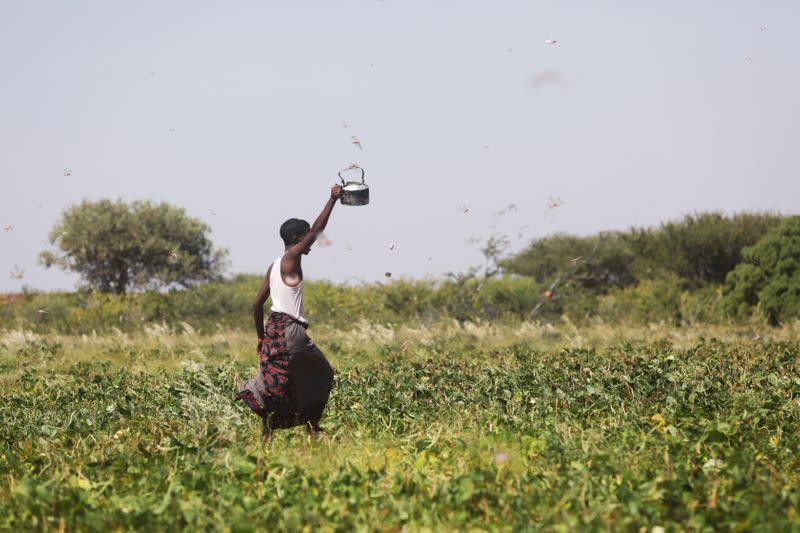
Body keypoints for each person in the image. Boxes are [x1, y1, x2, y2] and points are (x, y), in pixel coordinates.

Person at [237, 184, 343, 442]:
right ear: (297, 239)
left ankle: (269, 431)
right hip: (290, 330)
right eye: (305, 238)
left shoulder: (274, 266)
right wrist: (332, 200)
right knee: (323, 373)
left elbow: (256, 304)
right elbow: (317, 231)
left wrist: (261, 338)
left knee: (280, 381)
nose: (310, 244)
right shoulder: (290, 259)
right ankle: (312, 428)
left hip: (274, 330)